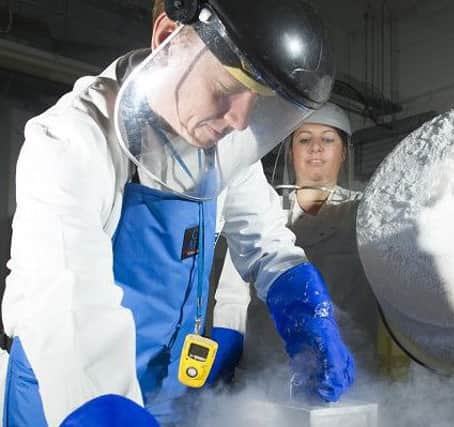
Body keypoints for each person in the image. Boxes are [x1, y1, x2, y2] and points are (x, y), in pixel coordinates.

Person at [1, 1, 355, 425]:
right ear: (168, 36)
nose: (240, 120)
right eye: (226, 89)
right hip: (74, 399)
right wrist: (106, 412)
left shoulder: (221, 144)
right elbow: (67, 302)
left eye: (256, 102)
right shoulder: (70, 139)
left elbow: (265, 242)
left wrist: (303, 306)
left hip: (165, 391)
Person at [216, 103, 411, 388]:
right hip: (263, 375)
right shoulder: (259, 210)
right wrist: (226, 353)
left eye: (328, 139)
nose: (315, 148)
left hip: (347, 373)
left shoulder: (368, 211)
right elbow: (233, 296)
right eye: (304, 139)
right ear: (291, 151)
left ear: (344, 152)